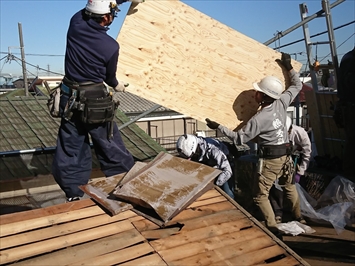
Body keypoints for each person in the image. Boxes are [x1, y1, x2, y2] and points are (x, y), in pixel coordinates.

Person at [205, 52, 304, 234]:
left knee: (260, 196)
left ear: (264, 96)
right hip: (286, 156)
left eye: (258, 91)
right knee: (289, 186)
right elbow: (298, 84)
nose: (255, 94)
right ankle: (299, 217)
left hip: (271, 160)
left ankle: (273, 228)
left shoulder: (259, 119)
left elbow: (239, 138)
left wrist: (219, 126)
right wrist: (289, 67)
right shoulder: (282, 101)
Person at [52, 0, 138, 202]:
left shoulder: (75, 24)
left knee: (71, 147)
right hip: (95, 102)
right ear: (107, 18)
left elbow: (89, 10)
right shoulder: (110, 46)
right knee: (109, 145)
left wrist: (115, 2)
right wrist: (117, 85)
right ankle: (124, 185)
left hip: (70, 99)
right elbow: (109, 78)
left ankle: (73, 193)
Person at [269, 116, 311, 223]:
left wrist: (300, 172)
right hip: (279, 160)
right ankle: (278, 212)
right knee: (276, 187)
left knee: (296, 189)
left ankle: (298, 214)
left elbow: (307, 153)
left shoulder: (300, 133)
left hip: (296, 161)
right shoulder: (276, 133)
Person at [176, 134, 235, 199]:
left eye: (192, 156)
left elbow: (227, 171)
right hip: (211, 165)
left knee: (228, 194)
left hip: (225, 165)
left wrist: (215, 184)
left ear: (195, 149)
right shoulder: (195, 147)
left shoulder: (214, 150)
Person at [335, 46, 355, 180]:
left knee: (351, 144)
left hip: (349, 108)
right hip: (351, 108)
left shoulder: (348, 58)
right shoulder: (351, 60)